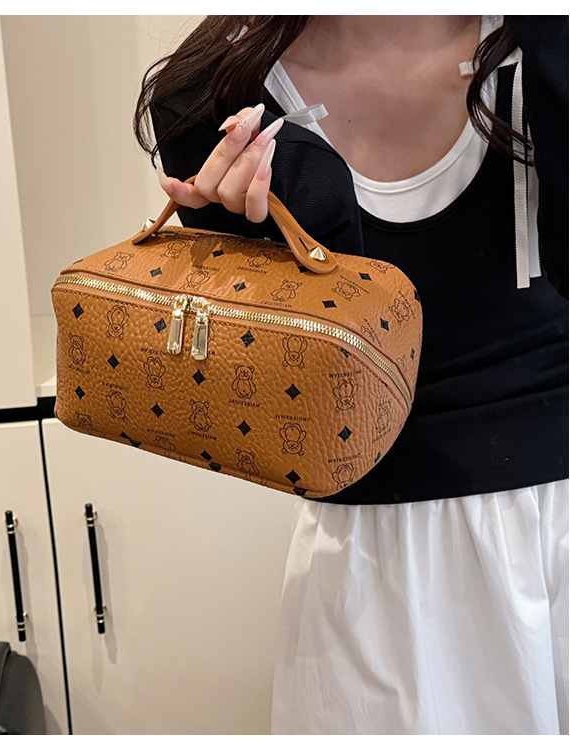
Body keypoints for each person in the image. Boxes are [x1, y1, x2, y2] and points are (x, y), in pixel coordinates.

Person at [133, 15, 568, 734]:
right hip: (369, 571)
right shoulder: (210, 97)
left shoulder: (546, 48)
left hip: (561, 527)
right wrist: (274, 246)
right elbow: (286, 405)